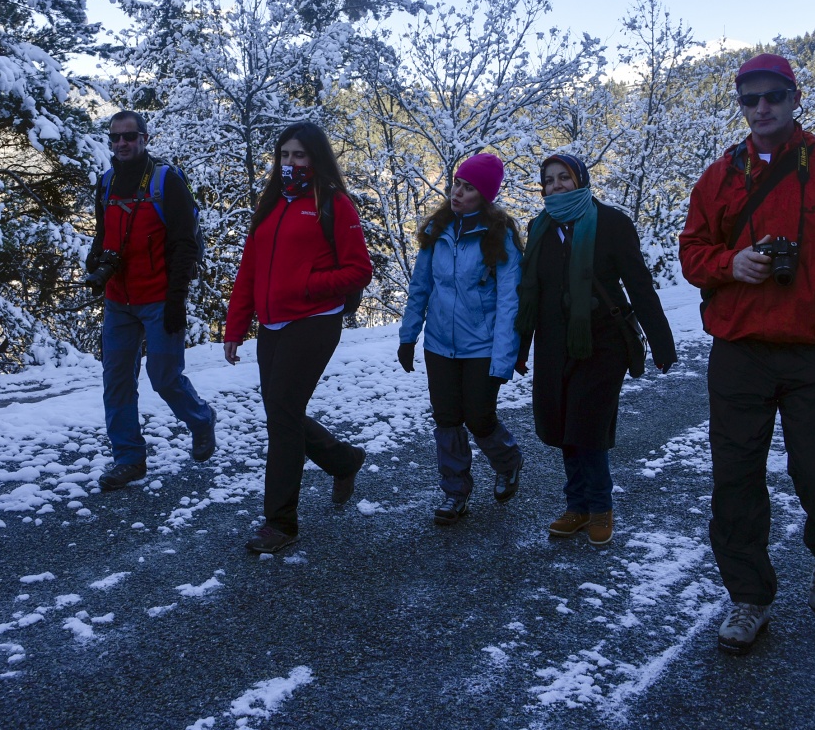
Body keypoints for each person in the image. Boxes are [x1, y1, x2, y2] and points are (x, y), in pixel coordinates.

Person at [679, 52, 815, 656]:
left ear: (795, 99)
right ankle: (749, 596)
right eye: (751, 99)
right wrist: (730, 264)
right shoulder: (720, 177)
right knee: (735, 479)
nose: (762, 107)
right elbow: (692, 251)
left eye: (774, 96)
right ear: (742, 106)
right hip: (740, 350)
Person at [223, 122, 372, 555]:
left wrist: (308, 284)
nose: (291, 162)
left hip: (313, 320)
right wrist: (236, 326)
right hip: (271, 325)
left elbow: (360, 270)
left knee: (282, 416)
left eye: (300, 155)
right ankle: (343, 460)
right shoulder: (271, 202)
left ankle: (280, 522)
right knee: (281, 410)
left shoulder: (334, 203)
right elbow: (249, 269)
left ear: (316, 158)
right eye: (285, 155)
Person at [514, 153, 677, 546]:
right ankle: (577, 507)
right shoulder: (539, 227)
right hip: (554, 344)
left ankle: (600, 507)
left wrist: (661, 343)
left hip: (602, 343)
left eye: (563, 177)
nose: (555, 186)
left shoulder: (612, 223)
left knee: (586, 425)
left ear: (581, 180)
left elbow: (639, 285)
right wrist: (519, 349)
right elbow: (530, 294)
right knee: (563, 426)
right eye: (549, 180)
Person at [87, 110, 218, 493]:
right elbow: (103, 233)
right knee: (116, 382)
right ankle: (128, 459)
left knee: (164, 377)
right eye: (115, 137)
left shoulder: (166, 181)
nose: (121, 143)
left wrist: (177, 299)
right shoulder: (107, 183)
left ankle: (201, 419)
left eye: (129, 136)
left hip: (160, 298)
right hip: (118, 301)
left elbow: (185, 244)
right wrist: (96, 262)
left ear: (144, 139)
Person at [397, 153, 524, 526]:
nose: (457, 193)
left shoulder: (499, 237)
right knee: (447, 419)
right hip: (439, 344)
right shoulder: (437, 230)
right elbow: (420, 287)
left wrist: (503, 359)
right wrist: (408, 337)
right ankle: (455, 493)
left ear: (484, 196)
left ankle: (508, 461)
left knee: (479, 418)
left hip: (481, 347)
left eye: (468, 188)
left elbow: (509, 303)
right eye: (456, 184)